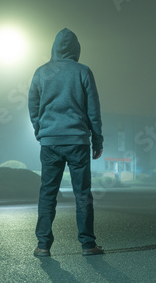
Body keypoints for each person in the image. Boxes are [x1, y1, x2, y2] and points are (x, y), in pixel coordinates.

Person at [28, 28, 104, 257]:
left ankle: (43, 245)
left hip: (50, 142)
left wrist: (40, 129)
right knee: (82, 193)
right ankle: (88, 244)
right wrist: (97, 139)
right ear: (76, 49)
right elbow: (93, 109)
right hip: (78, 141)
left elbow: (33, 105)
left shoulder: (41, 72)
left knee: (48, 193)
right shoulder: (83, 71)